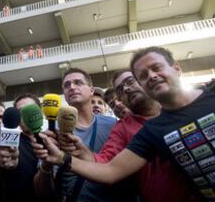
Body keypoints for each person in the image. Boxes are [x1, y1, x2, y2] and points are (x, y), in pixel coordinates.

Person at [32, 46, 215, 200]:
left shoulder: (210, 96)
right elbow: (110, 168)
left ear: (176, 68)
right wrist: (65, 158)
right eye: (143, 75)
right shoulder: (147, 130)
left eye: (131, 81)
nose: (151, 76)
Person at [61, 69, 197, 201]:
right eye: (120, 89)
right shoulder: (122, 128)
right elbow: (107, 163)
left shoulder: (185, 106)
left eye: (130, 81)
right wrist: (80, 155)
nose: (126, 89)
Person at [35, 68, 129, 202]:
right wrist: (46, 164)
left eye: (78, 83)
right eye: (67, 85)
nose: (72, 87)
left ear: (91, 90)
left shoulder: (114, 124)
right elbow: (43, 193)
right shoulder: (53, 133)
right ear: (65, 94)